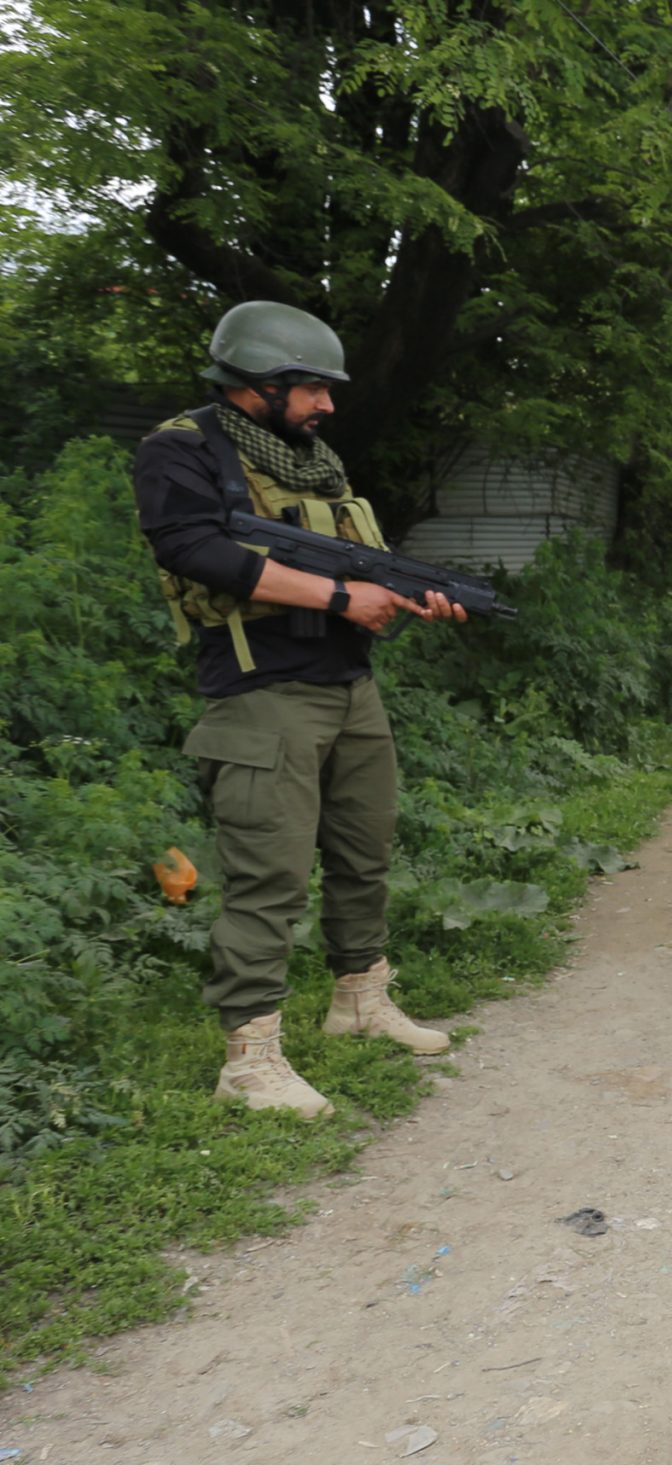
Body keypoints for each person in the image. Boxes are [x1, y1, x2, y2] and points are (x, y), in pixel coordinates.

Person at [134, 301, 465, 1119]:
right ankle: (249, 1060)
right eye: (313, 388)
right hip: (262, 694)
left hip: (349, 687)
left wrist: (407, 594)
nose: (327, 405)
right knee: (269, 879)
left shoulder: (313, 461)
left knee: (364, 852)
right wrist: (342, 597)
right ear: (258, 382)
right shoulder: (181, 448)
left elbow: (358, 564)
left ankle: (360, 1000)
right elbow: (193, 548)